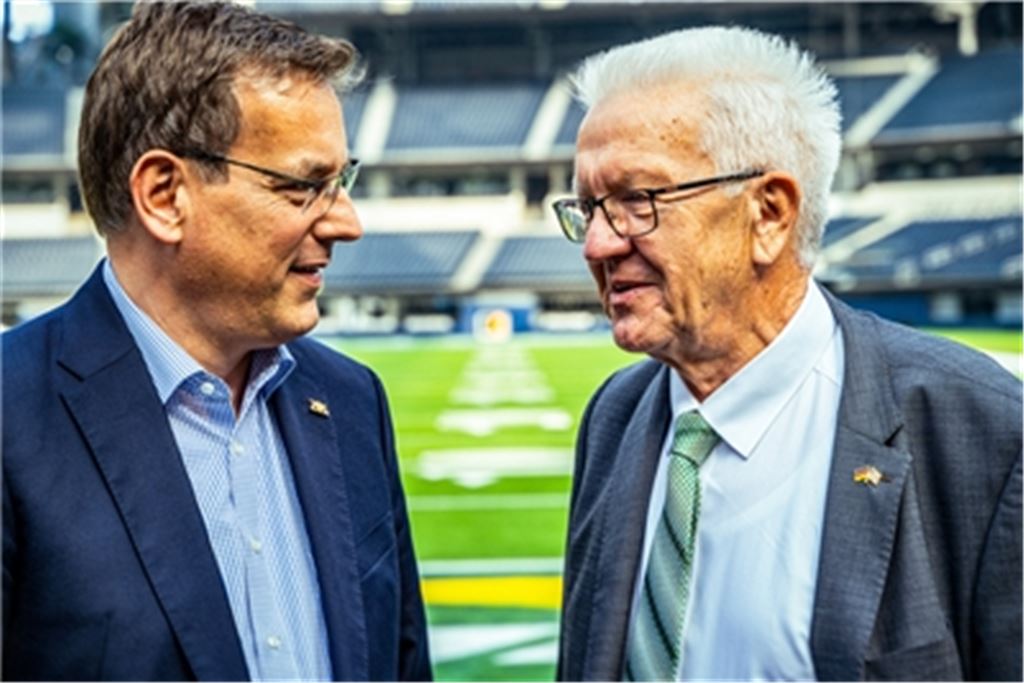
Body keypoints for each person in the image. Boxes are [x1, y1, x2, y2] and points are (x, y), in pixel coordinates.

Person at [553, 26, 1021, 682]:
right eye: (587, 207)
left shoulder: (981, 430)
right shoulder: (614, 417)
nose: (597, 244)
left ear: (769, 214)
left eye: (638, 201)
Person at [2, 3, 431, 680]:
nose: (346, 222)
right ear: (166, 195)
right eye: (304, 187)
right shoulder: (11, 414)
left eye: (340, 182)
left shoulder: (351, 402)